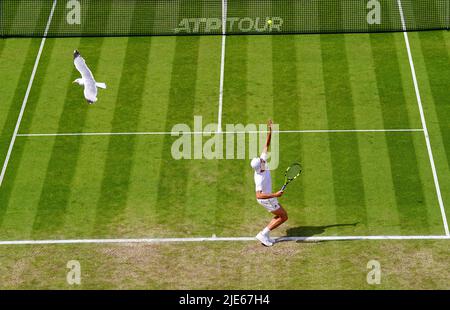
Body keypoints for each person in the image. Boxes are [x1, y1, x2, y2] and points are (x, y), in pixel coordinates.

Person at [250, 120, 288, 247]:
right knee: (283, 217)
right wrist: (275, 194)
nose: (263, 159)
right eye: (261, 160)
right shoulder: (259, 178)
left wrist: (270, 130)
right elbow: (258, 195)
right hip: (266, 199)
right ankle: (263, 234)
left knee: (280, 215)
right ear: (259, 165)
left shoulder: (261, 163)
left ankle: (265, 234)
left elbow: (266, 145)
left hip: (268, 198)